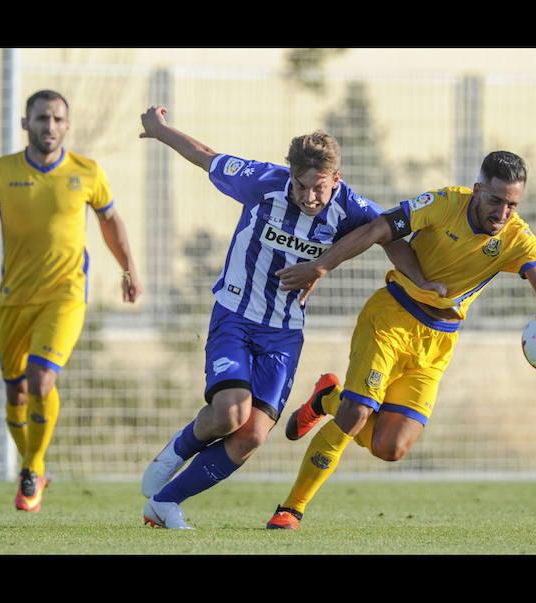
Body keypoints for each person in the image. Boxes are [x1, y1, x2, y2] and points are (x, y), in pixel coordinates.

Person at [136, 105, 425, 529]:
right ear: (290, 175)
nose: (309, 197)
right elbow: (206, 155)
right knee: (229, 414)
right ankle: (177, 450)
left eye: (319, 189)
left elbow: (389, 234)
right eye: (301, 185)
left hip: (285, 333)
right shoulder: (263, 182)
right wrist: (161, 131)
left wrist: (421, 280)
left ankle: (164, 504)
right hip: (235, 315)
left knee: (251, 435)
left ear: (336, 180)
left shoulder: (349, 208)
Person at [266, 150, 536, 529]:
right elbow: (378, 229)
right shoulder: (444, 203)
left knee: (390, 449)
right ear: (477, 190)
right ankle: (291, 508)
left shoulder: (516, 238)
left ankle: (328, 398)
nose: (502, 213)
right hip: (391, 318)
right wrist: (320, 265)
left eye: (512, 204)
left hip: (437, 344)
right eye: (495, 200)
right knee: (357, 414)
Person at [0, 90, 143, 512]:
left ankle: (32, 466)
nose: (50, 126)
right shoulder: (1, 171)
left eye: (58, 119)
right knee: (16, 393)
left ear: (68, 125)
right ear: (26, 124)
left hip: (66, 294)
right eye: (42, 118)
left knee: (42, 378)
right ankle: (34, 467)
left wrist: (129, 269)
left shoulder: (87, 172)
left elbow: (110, 220)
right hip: (14, 298)